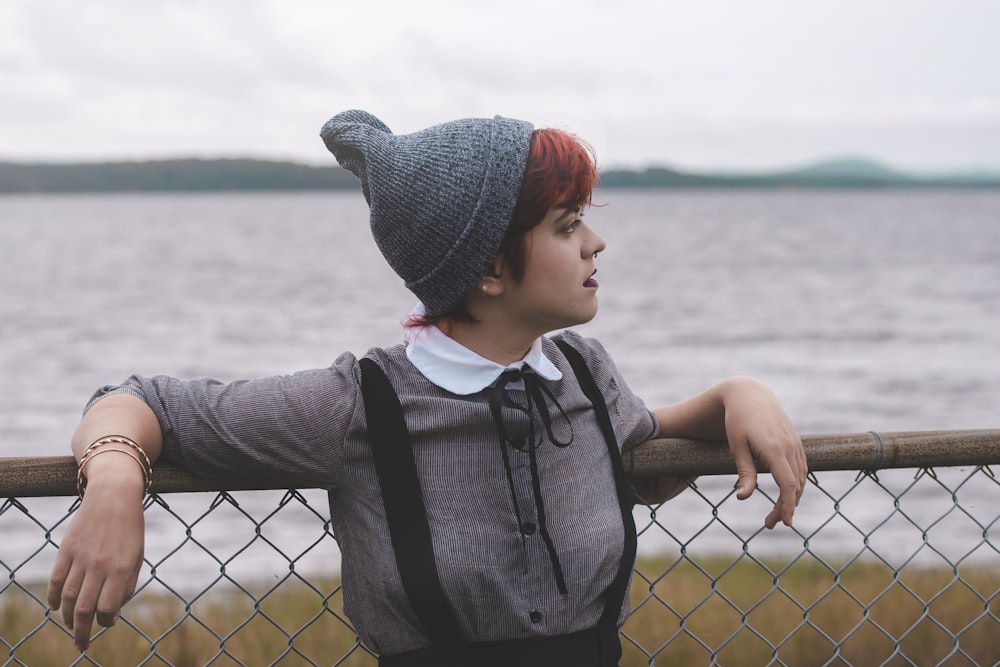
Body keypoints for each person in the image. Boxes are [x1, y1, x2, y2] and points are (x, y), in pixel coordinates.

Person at [47, 110, 806, 665]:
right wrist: (114, 480)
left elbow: (641, 448)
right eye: (567, 224)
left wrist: (739, 392)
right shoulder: (361, 404)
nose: (595, 241)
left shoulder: (582, 372)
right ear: (487, 267)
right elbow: (136, 399)